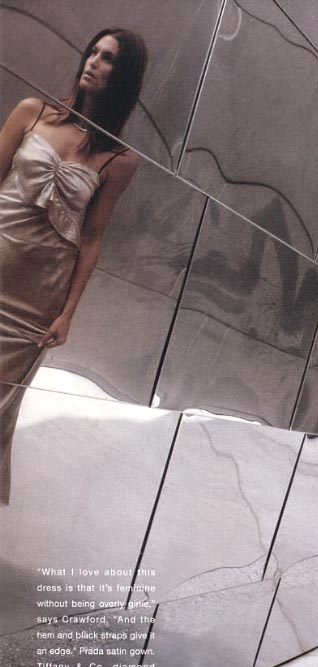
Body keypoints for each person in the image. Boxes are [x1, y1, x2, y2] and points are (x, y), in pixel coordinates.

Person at [0, 28, 146, 504]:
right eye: (93, 52)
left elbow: (92, 237)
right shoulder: (32, 112)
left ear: (123, 77)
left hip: (37, 299)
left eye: (108, 59)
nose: (93, 62)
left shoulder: (119, 160)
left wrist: (68, 313)